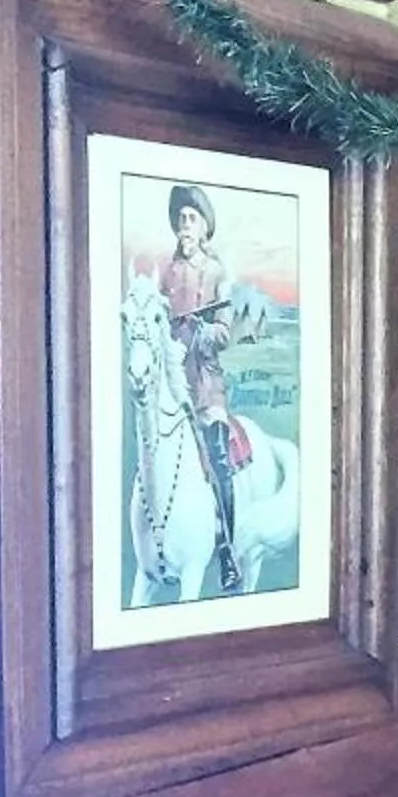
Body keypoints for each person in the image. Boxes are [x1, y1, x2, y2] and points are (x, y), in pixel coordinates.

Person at [156, 183, 244, 591]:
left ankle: (226, 552)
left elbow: (225, 334)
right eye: (180, 219)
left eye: (191, 219)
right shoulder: (167, 273)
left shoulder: (217, 273)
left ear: (205, 228)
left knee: (218, 466)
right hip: (169, 384)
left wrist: (199, 331)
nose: (184, 225)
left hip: (206, 387)